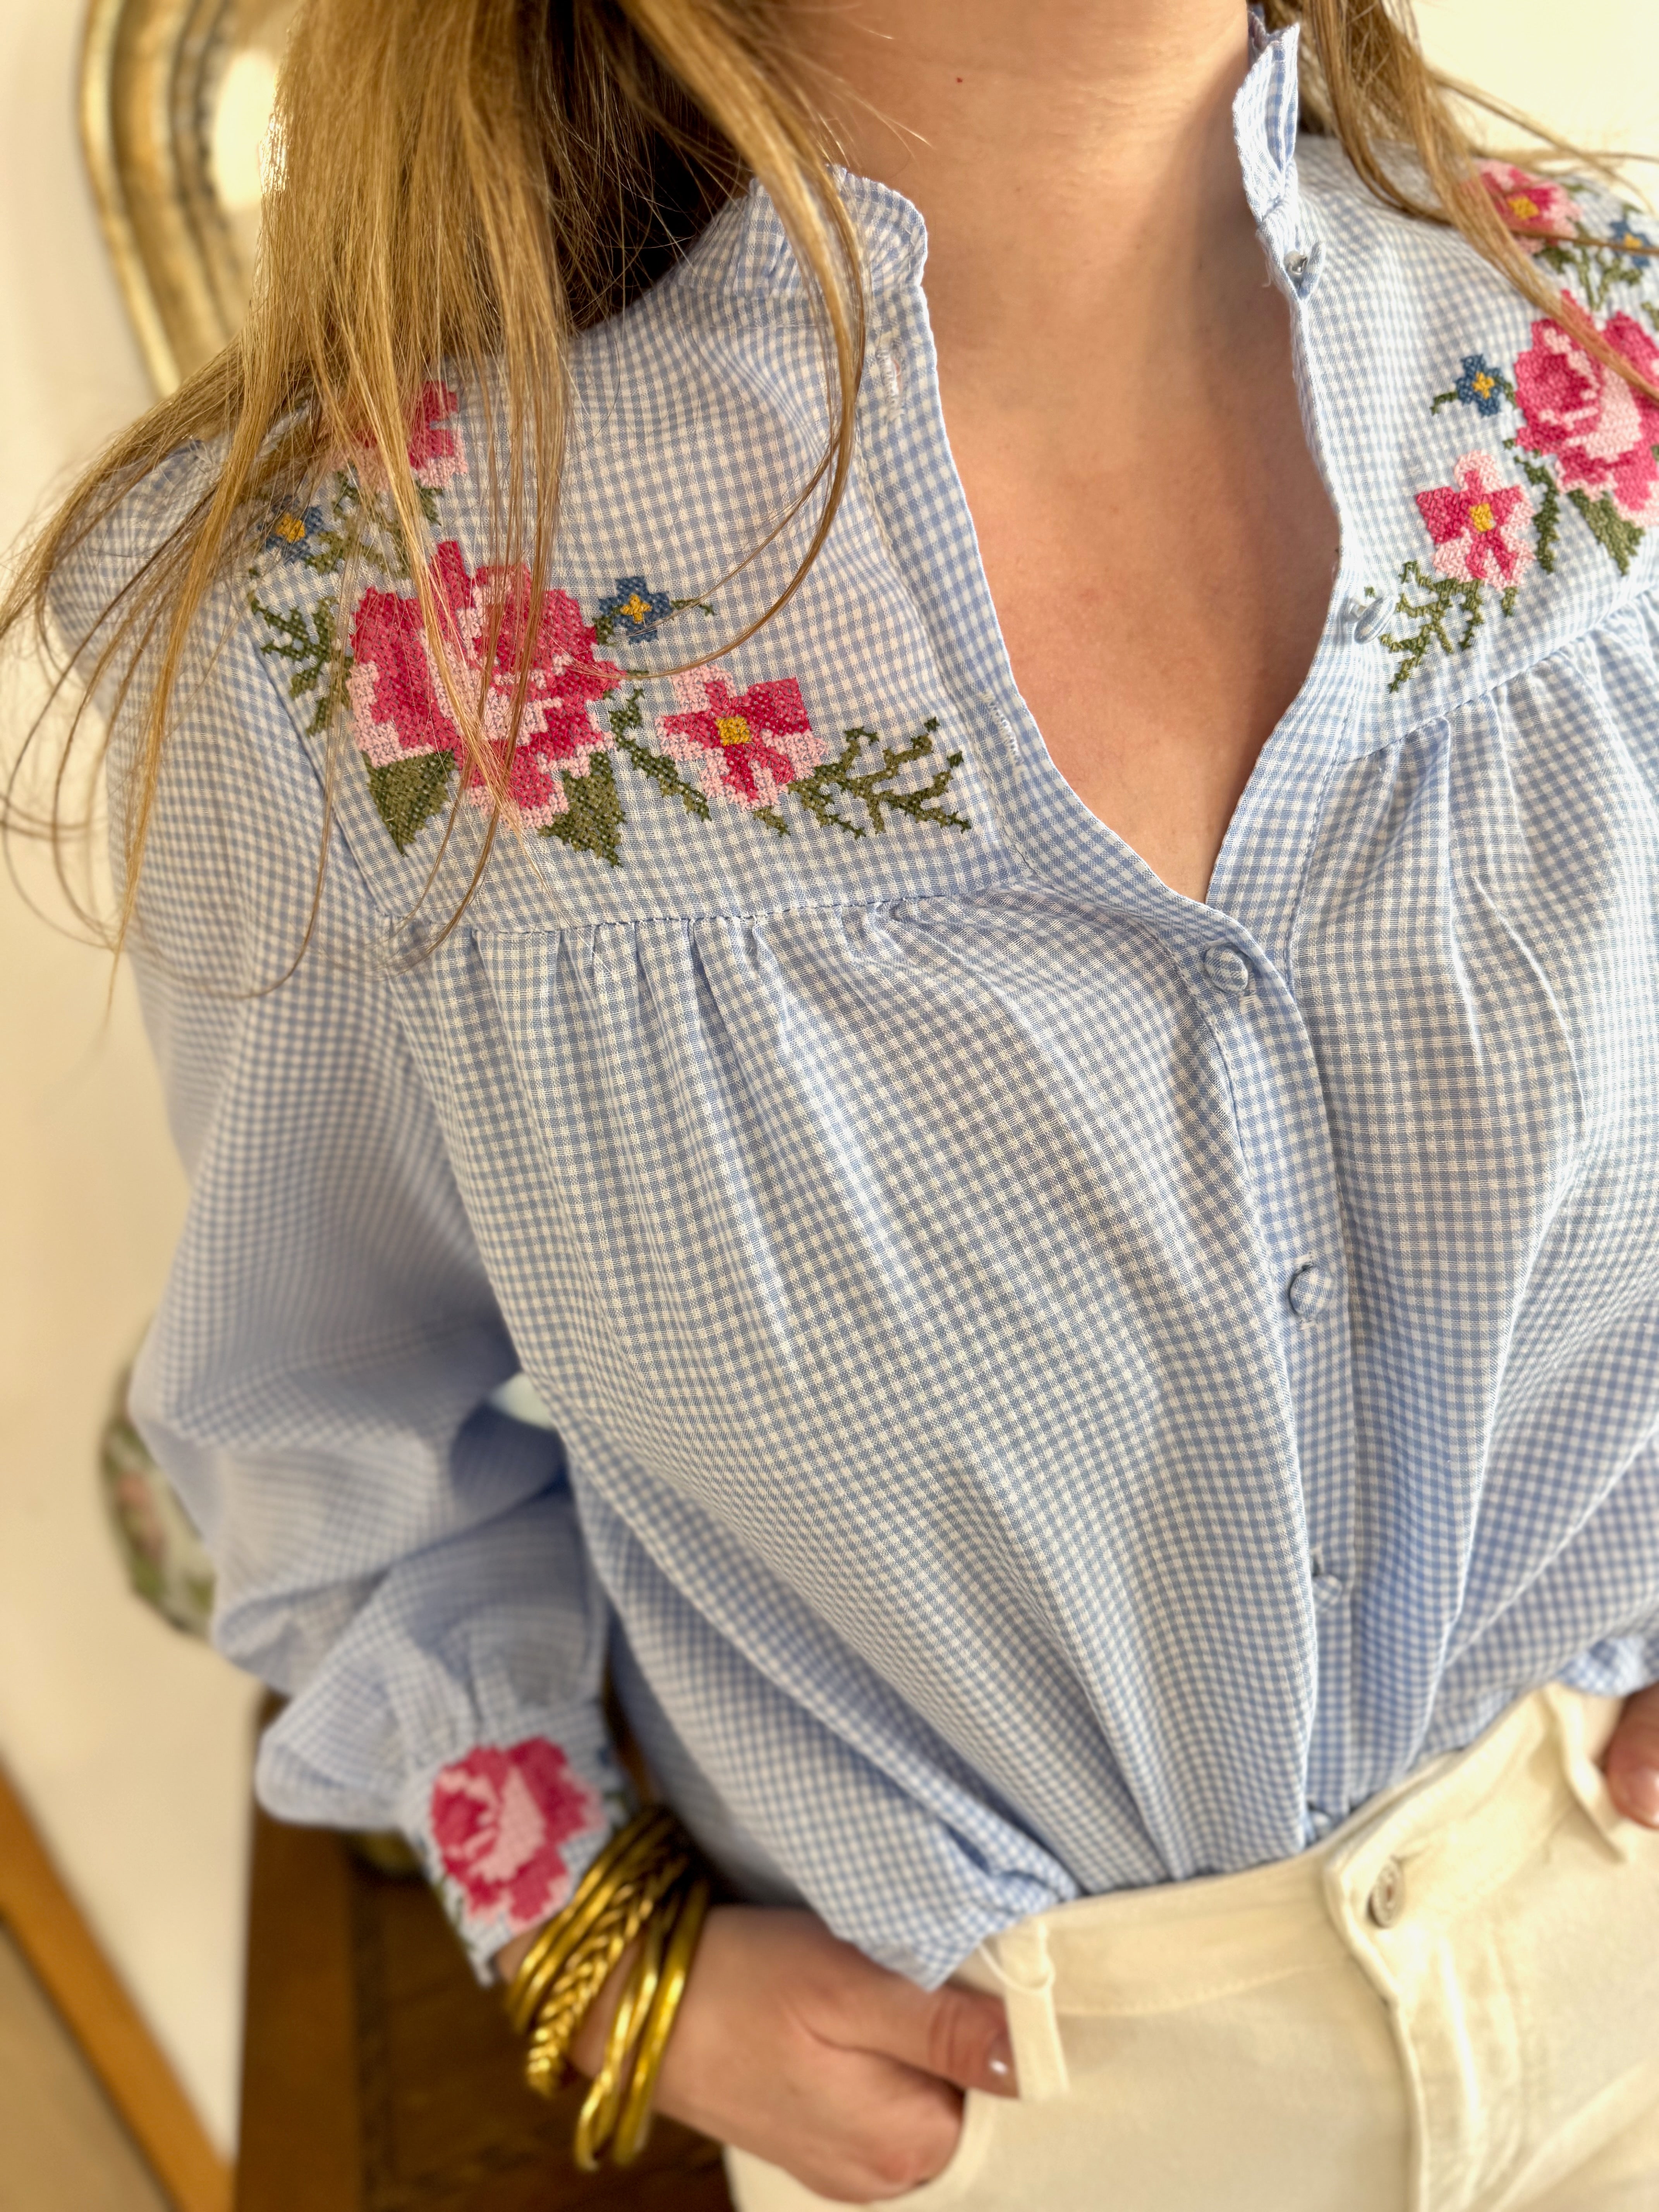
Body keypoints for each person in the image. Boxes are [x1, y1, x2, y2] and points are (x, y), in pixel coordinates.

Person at [8, 0, 1659, 2203]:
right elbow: (319, 1424)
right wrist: (594, 1946)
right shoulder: (354, 643)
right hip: (1007, 2105)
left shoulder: (1609, 354)